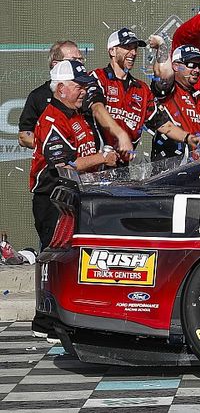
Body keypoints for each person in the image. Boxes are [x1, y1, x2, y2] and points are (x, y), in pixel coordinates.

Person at [29, 59, 118, 338]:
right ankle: (45, 323)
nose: (83, 91)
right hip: (52, 199)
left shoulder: (77, 115)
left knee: (70, 260)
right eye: (78, 86)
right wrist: (102, 158)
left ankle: (66, 319)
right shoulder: (52, 119)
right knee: (55, 259)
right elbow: (64, 166)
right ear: (61, 88)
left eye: (85, 86)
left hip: (72, 198)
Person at [93, 28, 200, 159]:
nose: (133, 52)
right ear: (112, 51)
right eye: (127, 47)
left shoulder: (142, 89)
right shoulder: (97, 77)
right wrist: (121, 135)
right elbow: (97, 109)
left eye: (135, 48)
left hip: (122, 165)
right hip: (95, 160)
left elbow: (163, 124)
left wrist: (187, 137)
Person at [18, 40, 131, 158]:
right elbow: (23, 136)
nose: (79, 64)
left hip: (95, 161)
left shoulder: (89, 89)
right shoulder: (38, 96)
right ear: (56, 64)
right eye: (73, 60)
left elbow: (98, 109)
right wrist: (56, 146)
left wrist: (120, 135)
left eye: (80, 59)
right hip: (61, 163)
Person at [151, 46, 200, 161]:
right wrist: (161, 45)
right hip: (170, 163)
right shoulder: (169, 89)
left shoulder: (199, 97)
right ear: (175, 66)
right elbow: (163, 74)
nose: (197, 70)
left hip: (195, 164)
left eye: (199, 66)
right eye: (191, 65)